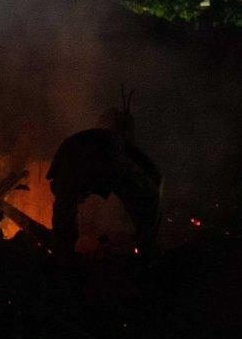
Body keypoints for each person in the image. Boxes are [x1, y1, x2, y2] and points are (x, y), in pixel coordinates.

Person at [47, 103, 162, 267]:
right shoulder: (113, 147)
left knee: (64, 214)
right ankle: (147, 254)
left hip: (73, 163)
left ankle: (63, 259)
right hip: (91, 163)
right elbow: (139, 186)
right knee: (144, 202)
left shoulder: (90, 143)